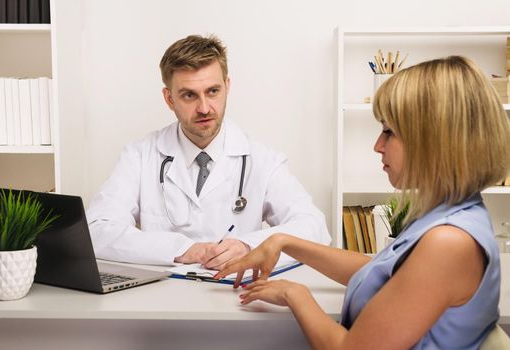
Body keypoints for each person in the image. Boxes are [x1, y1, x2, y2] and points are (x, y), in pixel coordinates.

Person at [216, 56, 510, 349]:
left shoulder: (448, 242)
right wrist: (284, 241)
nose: (377, 146)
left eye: (389, 132)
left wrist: (295, 294)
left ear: (434, 140)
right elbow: (381, 272)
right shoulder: (450, 212)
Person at [86, 34, 331, 270]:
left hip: (237, 299)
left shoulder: (263, 160)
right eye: (189, 95)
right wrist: (182, 249)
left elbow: (314, 228)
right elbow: (97, 229)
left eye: (213, 91)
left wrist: (249, 246)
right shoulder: (140, 156)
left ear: (227, 86)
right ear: (169, 98)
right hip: (159, 300)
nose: (204, 108)